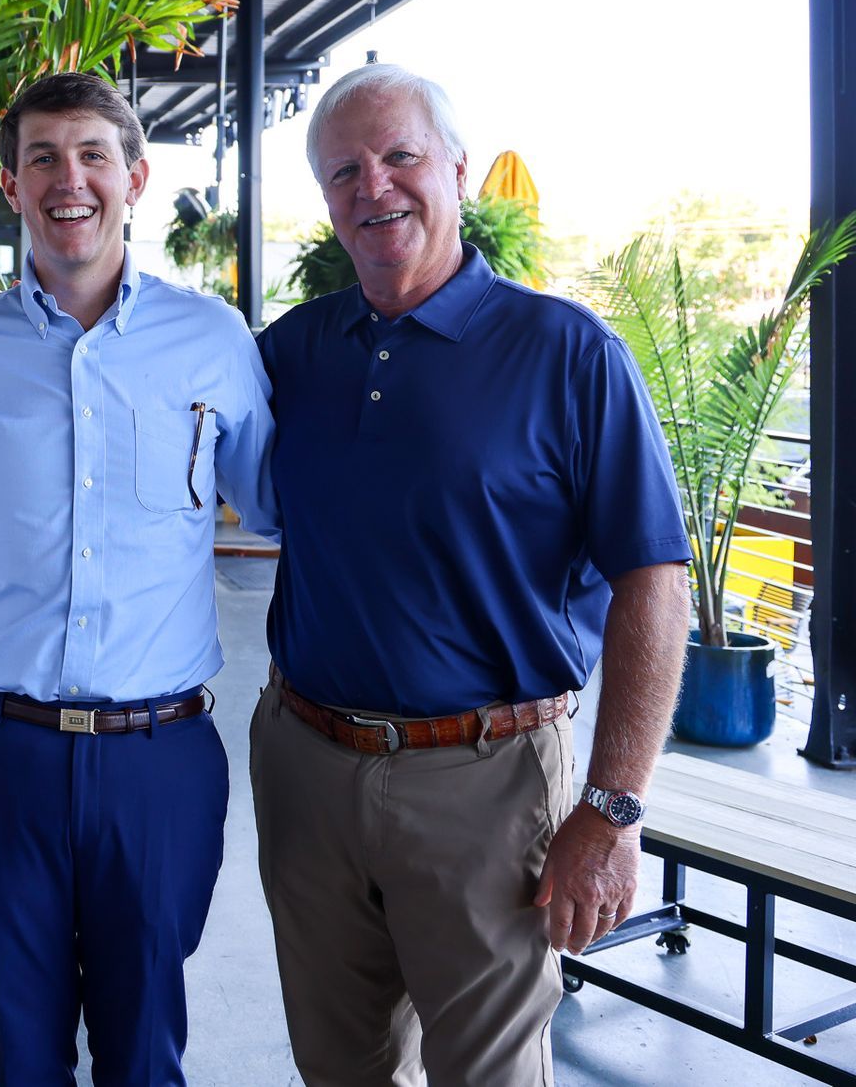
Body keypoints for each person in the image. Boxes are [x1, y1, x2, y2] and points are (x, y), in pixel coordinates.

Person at [252, 63, 691, 1086]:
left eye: (400, 156)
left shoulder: (567, 352)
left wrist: (615, 804)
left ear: (455, 166)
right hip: (306, 766)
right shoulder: (298, 351)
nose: (375, 186)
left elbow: (655, 581)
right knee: (337, 1065)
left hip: (485, 785)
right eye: (344, 170)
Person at [0, 72, 277, 1087]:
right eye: (43, 158)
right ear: (11, 186)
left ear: (135, 178)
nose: (70, 179)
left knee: (146, 1051)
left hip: (159, 758)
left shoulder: (214, 340)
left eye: (94, 154)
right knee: (20, 1049)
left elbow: (280, 504)